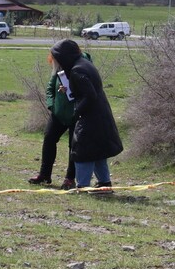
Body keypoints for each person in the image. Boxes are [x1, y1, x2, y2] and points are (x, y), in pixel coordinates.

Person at [49, 39, 122, 194]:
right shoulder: (83, 64)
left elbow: (90, 96)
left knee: (82, 150)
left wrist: (76, 113)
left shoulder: (77, 71)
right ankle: (104, 184)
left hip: (91, 116)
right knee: (98, 150)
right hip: (100, 113)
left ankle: (82, 186)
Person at [28, 49, 92, 190]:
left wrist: (71, 91)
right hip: (58, 113)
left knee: (73, 146)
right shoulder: (60, 70)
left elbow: (87, 93)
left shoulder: (81, 68)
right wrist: (51, 106)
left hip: (76, 114)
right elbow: (50, 88)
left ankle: (70, 179)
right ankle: (44, 175)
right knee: (49, 138)